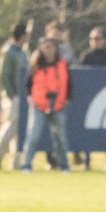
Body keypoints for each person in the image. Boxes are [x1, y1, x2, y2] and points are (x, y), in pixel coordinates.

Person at [22, 35, 70, 173]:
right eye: (45, 46)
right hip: (39, 104)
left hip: (58, 105)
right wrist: (30, 97)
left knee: (60, 137)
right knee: (33, 135)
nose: (48, 50)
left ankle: (64, 165)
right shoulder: (35, 64)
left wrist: (67, 98)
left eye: (50, 46)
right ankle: (26, 165)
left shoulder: (62, 63)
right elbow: (28, 83)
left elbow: (68, 83)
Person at [77, 27, 106, 168]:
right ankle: (87, 160)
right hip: (89, 100)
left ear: (104, 40)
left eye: (97, 38)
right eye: (91, 39)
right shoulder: (86, 56)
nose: (94, 42)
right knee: (88, 131)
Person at [0, 22, 32, 169]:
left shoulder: (22, 52)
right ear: (22, 35)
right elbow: (3, 75)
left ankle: (15, 162)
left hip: (22, 96)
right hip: (12, 97)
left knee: (18, 129)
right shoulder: (8, 51)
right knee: (10, 125)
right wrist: (12, 94)